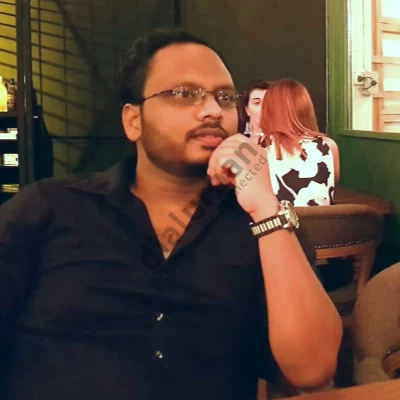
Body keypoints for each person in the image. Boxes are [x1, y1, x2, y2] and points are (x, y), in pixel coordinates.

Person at [0, 29, 342, 400]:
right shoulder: (50, 208)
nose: (213, 110)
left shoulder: (261, 227)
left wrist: (266, 207)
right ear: (133, 121)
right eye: (184, 93)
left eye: (225, 97)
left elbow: (312, 371)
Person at [260, 78, 340, 206]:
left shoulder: (253, 146)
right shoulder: (329, 146)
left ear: (268, 109)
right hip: (321, 219)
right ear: (307, 109)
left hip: (275, 219)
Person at [238, 79, 270, 146]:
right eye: (257, 103)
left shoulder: (282, 138)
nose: (263, 108)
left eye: (268, 102)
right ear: (247, 109)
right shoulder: (235, 131)